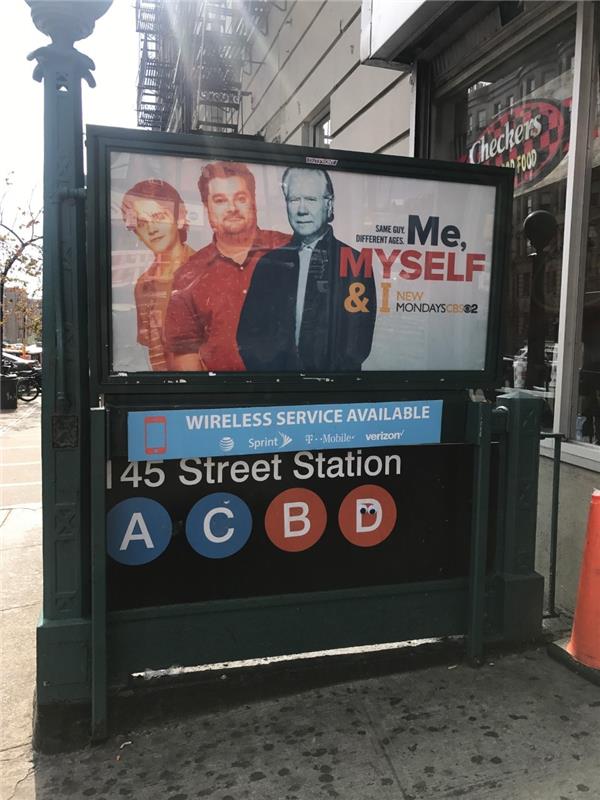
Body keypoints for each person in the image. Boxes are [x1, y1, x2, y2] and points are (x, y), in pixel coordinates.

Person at [237, 167, 376, 371]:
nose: (301, 210)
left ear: (329, 204)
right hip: (277, 386)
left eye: (311, 199)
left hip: (332, 388)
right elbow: (248, 336)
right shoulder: (269, 264)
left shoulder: (354, 262)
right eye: (294, 200)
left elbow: (356, 344)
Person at [162, 162, 289, 371]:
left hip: (290, 389)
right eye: (220, 200)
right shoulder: (188, 274)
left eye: (240, 198)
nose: (232, 208)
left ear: (253, 201)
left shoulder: (291, 250)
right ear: (207, 208)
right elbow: (184, 352)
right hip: (224, 390)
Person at [121, 180, 194, 371]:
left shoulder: (206, 270)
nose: (152, 229)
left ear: (179, 218)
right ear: (137, 233)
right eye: (142, 223)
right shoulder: (143, 285)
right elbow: (152, 349)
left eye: (158, 217)